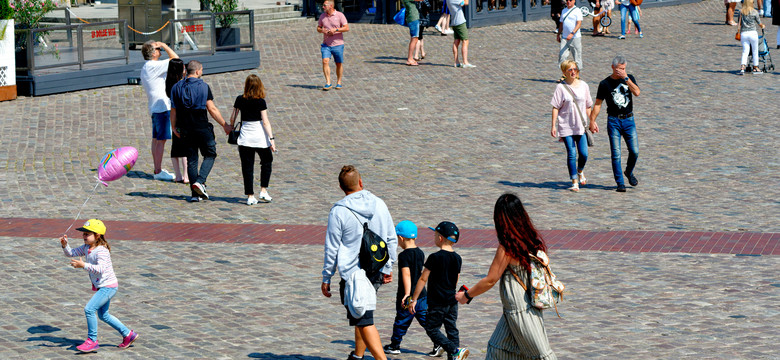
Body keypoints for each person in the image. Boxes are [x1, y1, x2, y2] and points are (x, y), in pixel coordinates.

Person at [455, 193, 557, 360]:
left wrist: (466, 295)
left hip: (520, 309)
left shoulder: (507, 247)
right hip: (518, 307)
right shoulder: (530, 239)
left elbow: (490, 279)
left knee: (540, 355)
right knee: (498, 348)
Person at [321, 165, 398, 360]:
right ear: (361, 182)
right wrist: (388, 266)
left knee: (363, 319)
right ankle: (358, 355)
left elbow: (332, 247)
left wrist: (326, 276)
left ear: (341, 187)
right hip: (376, 268)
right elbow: (391, 237)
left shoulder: (338, 211)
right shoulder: (380, 203)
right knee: (362, 311)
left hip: (353, 272)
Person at [59, 219, 138, 353]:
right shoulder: (86, 247)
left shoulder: (102, 251)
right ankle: (128, 334)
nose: (84, 236)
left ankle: (92, 341)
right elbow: (70, 253)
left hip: (109, 287)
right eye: (83, 234)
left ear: (97, 236)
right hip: (103, 287)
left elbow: (100, 269)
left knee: (89, 309)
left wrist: (83, 265)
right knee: (103, 315)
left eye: (87, 234)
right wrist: (65, 245)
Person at [170, 60, 231, 202]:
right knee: (210, 154)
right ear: (197, 71)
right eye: (202, 70)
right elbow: (212, 109)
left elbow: (173, 111)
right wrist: (224, 125)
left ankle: (195, 195)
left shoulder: (176, 87)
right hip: (202, 127)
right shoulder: (204, 87)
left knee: (192, 160)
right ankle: (200, 181)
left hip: (185, 129)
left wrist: (173, 127)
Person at [409, 221, 469, 360]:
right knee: (452, 329)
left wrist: (414, 299)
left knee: (431, 329)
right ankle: (455, 356)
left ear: (440, 238)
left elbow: (423, 279)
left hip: (437, 302)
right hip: (451, 300)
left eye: (435, 235)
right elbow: (456, 280)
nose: (434, 238)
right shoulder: (458, 258)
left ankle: (454, 350)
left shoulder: (434, 257)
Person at [383, 220, 439, 356]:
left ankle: (394, 345)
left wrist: (407, 294)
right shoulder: (420, 253)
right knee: (426, 320)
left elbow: (406, 274)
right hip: (421, 294)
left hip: (408, 296)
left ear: (401, 238)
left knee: (401, 321)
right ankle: (438, 342)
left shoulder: (403, 256)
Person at [589, 55, 641, 192]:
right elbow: (598, 104)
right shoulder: (604, 84)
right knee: (616, 153)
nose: (621, 71)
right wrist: (592, 121)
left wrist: (626, 78)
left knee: (634, 151)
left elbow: (637, 92)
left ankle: (628, 172)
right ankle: (620, 183)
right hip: (613, 121)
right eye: (619, 69)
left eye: (623, 69)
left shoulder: (629, 78)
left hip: (629, 120)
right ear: (613, 67)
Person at [228, 74, 277, 205]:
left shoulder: (240, 99)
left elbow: (233, 117)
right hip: (260, 137)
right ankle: (263, 190)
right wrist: (271, 139)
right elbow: (265, 122)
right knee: (267, 161)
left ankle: (250, 196)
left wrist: (230, 127)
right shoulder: (261, 101)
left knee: (247, 167)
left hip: (245, 138)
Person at [550, 60, 593, 192]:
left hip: (580, 125)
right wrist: (553, 125)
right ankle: (574, 181)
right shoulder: (560, 88)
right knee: (571, 153)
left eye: (575, 69)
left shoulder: (584, 86)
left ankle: (580, 171)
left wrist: (592, 121)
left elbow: (588, 105)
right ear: (564, 72)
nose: (573, 72)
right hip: (566, 125)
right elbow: (555, 107)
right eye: (570, 70)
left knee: (584, 154)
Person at [140, 40, 179, 182]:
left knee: (156, 139)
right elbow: (176, 59)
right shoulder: (155, 66)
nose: (160, 50)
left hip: (154, 107)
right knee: (161, 140)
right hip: (162, 108)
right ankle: (158, 170)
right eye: (158, 49)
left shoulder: (146, 67)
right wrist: (165, 45)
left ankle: (157, 168)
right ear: (154, 52)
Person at [164, 58, 188, 184]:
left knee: (176, 147)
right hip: (183, 116)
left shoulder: (169, 83)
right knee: (185, 147)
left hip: (175, 118)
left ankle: (178, 175)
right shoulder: (182, 84)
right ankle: (186, 175)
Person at [317, 0, 349, 90]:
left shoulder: (339, 15)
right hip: (326, 45)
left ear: (330, 6)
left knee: (338, 64)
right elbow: (318, 28)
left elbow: (346, 28)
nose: (323, 7)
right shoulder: (322, 16)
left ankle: (339, 82)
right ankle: (328, 82)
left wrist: (336, 30)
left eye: (324, 5)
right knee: (325, 61)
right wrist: (321, 30)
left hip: (338, 44)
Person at [738, 0, 766, 74]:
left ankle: (742, 67)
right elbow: (759, 23)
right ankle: (755, 67)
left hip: (744, 33)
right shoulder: (755, 12)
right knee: (755, 51)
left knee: (745, 51)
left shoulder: (741, 12)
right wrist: (763, 26)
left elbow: (739, 23)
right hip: (753, 33)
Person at [557, 0, 583, 71]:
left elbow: (579, 23)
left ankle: (577, 75)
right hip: (564, 37)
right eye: (567, 0)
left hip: (575, 37)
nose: (568, 2)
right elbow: (561, 23)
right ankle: (564, 75)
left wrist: (572, 33)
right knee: (562, 56)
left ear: (574, 1)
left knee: (577, 57)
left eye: (570, 0)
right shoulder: (564, 10)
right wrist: (558, 34)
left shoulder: (577, 10)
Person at [449, 0, 475, 68]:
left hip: (454, 21)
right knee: (465, 40)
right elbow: (466, 2)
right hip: (460, 22)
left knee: (456, 41)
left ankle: (456, 62)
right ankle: (465, 62)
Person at [403, 0, 422, 66]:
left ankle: (410, 58)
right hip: (413, 18)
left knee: (415, 38)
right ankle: (410, 59)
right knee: (414, 38)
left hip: (412, 17)